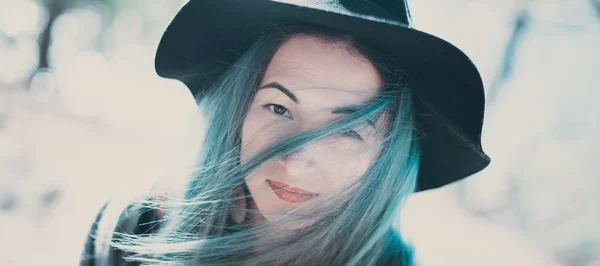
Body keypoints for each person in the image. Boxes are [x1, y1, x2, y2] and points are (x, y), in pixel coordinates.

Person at [79, 0, 490, 265]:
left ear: (387, 153)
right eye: (278, 108)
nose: (295, 160)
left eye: (348, 130)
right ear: (239, 111)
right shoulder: (137, 227)